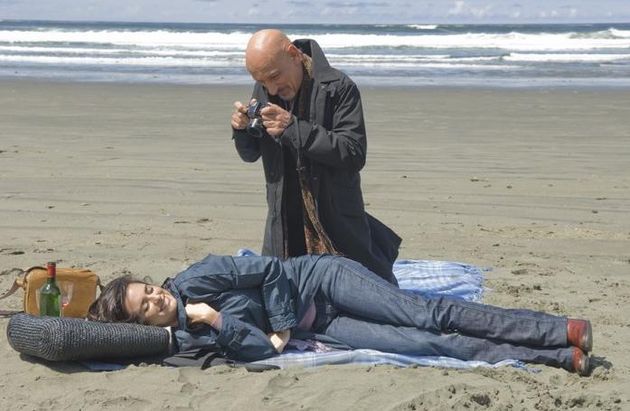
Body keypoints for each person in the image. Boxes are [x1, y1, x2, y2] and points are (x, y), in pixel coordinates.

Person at [88, 253, 593, 376]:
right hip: (324, 324)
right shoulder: (192, 337)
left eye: (149, 290)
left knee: (424, 315)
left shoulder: (196, 278)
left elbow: (269, 268)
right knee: (424, 344)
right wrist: (217, 321)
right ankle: (557, 357)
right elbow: (259, 352)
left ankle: (558, 329)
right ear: (143, 324)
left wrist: (282, 323)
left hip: (320, 280)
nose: (157, 299)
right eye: (145, 306)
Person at [230, 29, 401, 284]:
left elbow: (353, 153)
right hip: (284, 221)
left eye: (275, 77)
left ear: (294, 55)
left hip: (336, 218)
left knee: (367, 291)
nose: (271, 88)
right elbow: (250, 154)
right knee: (281, 297)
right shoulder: (265, 88)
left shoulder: (339, 87)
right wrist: (242, 130)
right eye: (262, 81)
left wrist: (293, 128)